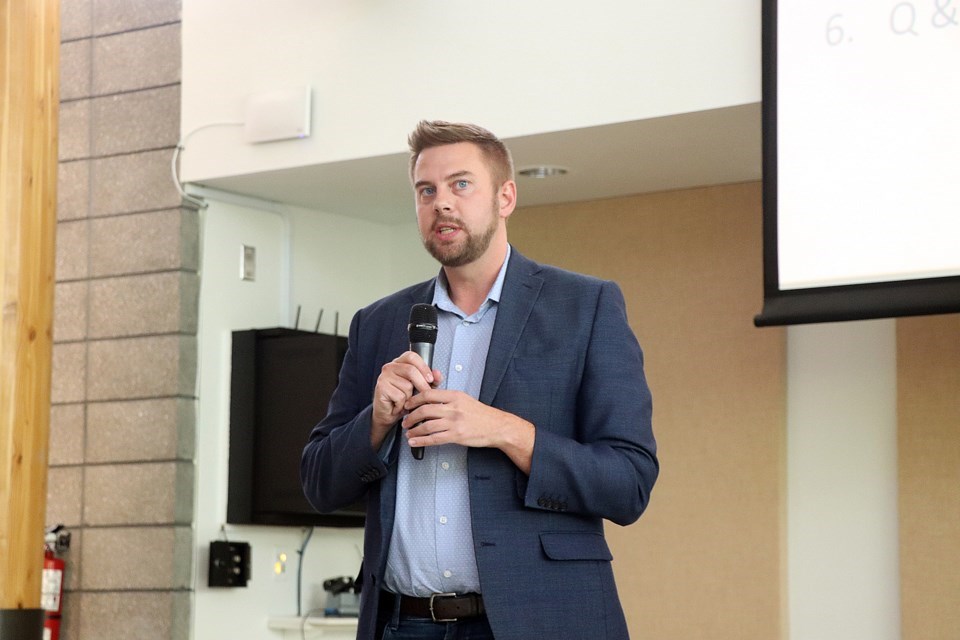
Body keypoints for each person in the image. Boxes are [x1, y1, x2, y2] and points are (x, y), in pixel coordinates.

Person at [301, 121, 658, 640]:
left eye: (461, 184)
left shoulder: (585, 307)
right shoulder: (378, 323)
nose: (441, 203)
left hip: (538, 623)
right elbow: (317, 483)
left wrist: (506, 431)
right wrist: (374, 422)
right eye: (427, 190)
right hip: (403, 625)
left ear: (505, 196)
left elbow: (629, 483)